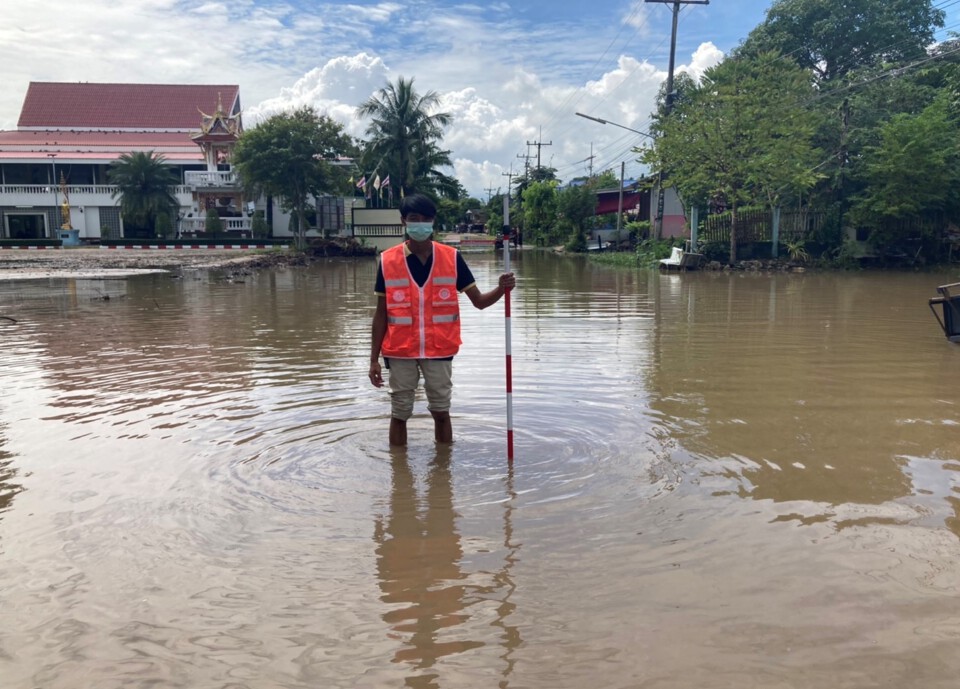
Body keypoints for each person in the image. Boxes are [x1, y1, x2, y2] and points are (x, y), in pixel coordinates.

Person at [369, 193, 516, 446]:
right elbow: (381, 313)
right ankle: (399, 476)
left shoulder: (452, 257)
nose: (420, 224)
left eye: (426, 218)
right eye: (414, 218)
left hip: (439, 350)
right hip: (400, 350)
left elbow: (479, 302)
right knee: (399, 412)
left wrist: (502, 289)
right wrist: (373, 359)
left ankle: (443, 472)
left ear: (433, 221)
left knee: (441, 411)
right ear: (404, 221)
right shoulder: (387, 260)